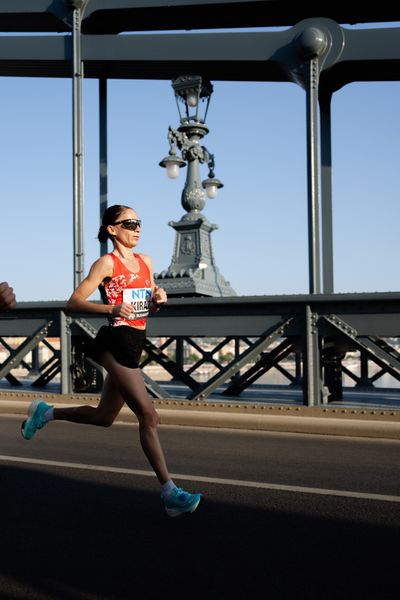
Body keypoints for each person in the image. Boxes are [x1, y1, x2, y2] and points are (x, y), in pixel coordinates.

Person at [21, 204, 202, 517]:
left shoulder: (146, 262)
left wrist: (159, 301)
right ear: (112, 229)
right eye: (129, 223)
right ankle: (170, 492)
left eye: (138, 222)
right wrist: (110, 309)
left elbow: (144, 308)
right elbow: (74, 301)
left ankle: (45, 413)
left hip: (135, 342)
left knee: (104, 417)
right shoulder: (107, 263)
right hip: (115, 341)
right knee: (149, 415)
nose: (136, 228)